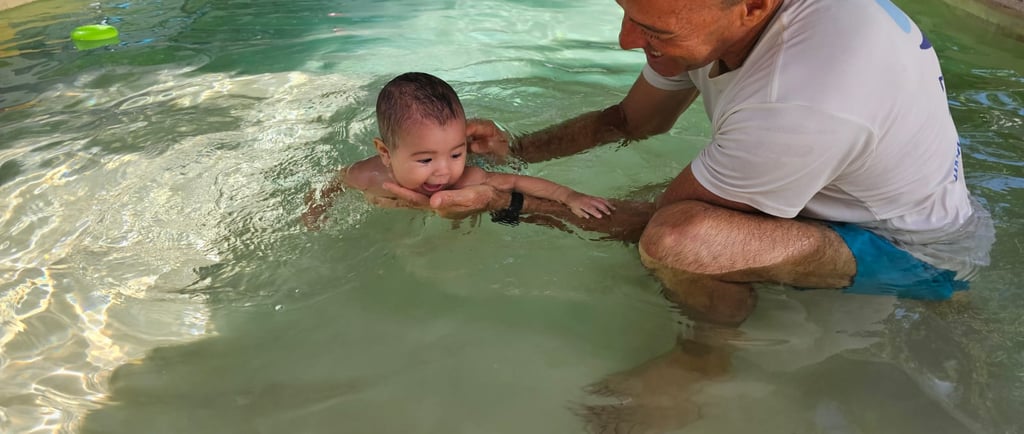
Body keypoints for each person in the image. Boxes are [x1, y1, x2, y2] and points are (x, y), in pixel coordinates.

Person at [382, 1, 995, 429]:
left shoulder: (803, 91)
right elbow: (632, 121)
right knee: (673, 206)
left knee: (680, 239)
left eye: (650, 27)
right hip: (832, 194)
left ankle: (705, 355)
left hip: (913, 256)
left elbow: (656, 229)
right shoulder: (711, 21)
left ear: (750, 7)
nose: (627, 39)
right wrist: (517, 149)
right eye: (626, 14)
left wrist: (504, 198)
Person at [302, 72, 614, 230]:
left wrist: (570, 197)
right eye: (425, 159)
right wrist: (316, 209)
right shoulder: (368, 174)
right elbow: (336, 180)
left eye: (456, 153)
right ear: (385, 153)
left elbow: (517, 183)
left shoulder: (467, 177)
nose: (444, 171)